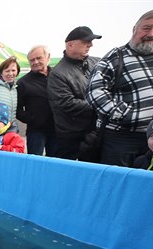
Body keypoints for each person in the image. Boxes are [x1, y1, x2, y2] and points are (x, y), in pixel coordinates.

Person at [87, 8, 153, 167]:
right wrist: (124, 115)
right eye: (146, 28)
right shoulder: (117, 56)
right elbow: (94, 90)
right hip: (126, 138)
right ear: (134, 29)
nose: (151, 33)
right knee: (121, 183)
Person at [48, 26, 102, 160]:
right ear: (70, 45)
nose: (90, 45)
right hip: (72, 137)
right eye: (85, 42)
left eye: (91, 41)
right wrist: (102, 104)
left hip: (97, 131)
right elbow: (66, 103)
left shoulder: (98, 62)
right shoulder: (58, 74)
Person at [17, 45, 57, 156]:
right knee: (35, 163)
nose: (35, 62)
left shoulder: (58, 76)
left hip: (57, 129)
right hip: (36, 131)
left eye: (39, 58)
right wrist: (32, 119)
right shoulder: (23, 83)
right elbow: (17, 109)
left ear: (48, 57)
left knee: (56, 162)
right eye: (32, 60)